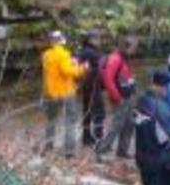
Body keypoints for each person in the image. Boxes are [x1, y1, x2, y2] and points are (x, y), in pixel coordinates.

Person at [134, 71, 170, 185]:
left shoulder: (141, 101)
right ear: (162, 87)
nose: (168, 91)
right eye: (167, 88)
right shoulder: (162, 108)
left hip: (141, 156)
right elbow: (168, 138)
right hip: (157, 159)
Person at [41, 30, 87, 158]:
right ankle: (69, 151)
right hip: (66, 93)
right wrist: (82, 68)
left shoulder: (45, 55)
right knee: (70, 121)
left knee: (51, 119)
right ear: (62, 41)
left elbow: (54, 70)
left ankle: (48, 145)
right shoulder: (64, 54)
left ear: (51, 41)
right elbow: (68, 72)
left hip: (51, 93)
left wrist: (71, 62)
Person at [97, 35, 138, 159]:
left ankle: (122, 151)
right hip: (120, 98)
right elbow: (108, 80)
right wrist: (117, 97)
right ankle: (102, 150)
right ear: (126, 47)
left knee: (130, 123)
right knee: (116, 125)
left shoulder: (125, 58)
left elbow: (126, 76)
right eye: (134, 47)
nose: (135, 50)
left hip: (129, 96)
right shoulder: (115, 59)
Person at [77, 30, 104, 148]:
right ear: (91, 40)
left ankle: (86, 137)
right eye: (97, 38)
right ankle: (99, 138)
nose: (100, 41)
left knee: (87, 111)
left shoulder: (84, 51)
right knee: (99, 112)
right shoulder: (91, 52)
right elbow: (102, 65)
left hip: (86, 86)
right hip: (93, 86)